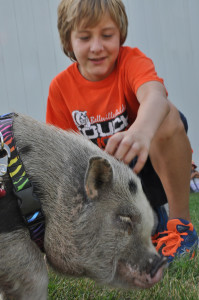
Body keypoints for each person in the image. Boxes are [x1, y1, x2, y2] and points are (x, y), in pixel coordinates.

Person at [46, 0, 198, 263]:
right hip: (105, 192)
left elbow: (155, 95)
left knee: (167, 113)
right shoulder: (60, 89)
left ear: (121, 35)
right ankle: (147, 224)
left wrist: (140, 131)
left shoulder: (131, 62)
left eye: (107, 35)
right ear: (68, 41)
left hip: (147, 175)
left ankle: (180, 228)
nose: (97, 47)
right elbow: (59, 160)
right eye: (84, 37)